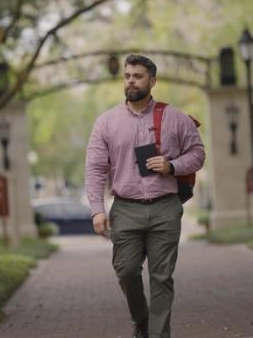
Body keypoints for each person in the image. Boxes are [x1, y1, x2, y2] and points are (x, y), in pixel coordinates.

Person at [84, 54, 205, 338]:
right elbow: (95, 168)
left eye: (137, 76)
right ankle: (142, 320)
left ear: (152, 81)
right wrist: (97, 210)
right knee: (126, 271)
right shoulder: (106, 122)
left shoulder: (174, 118)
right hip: (125, 209)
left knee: (162, 278)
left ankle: (158, 334)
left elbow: (198, 154)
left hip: (165, 207)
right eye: (127, 76)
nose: (131, 81)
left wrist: (172, 166)